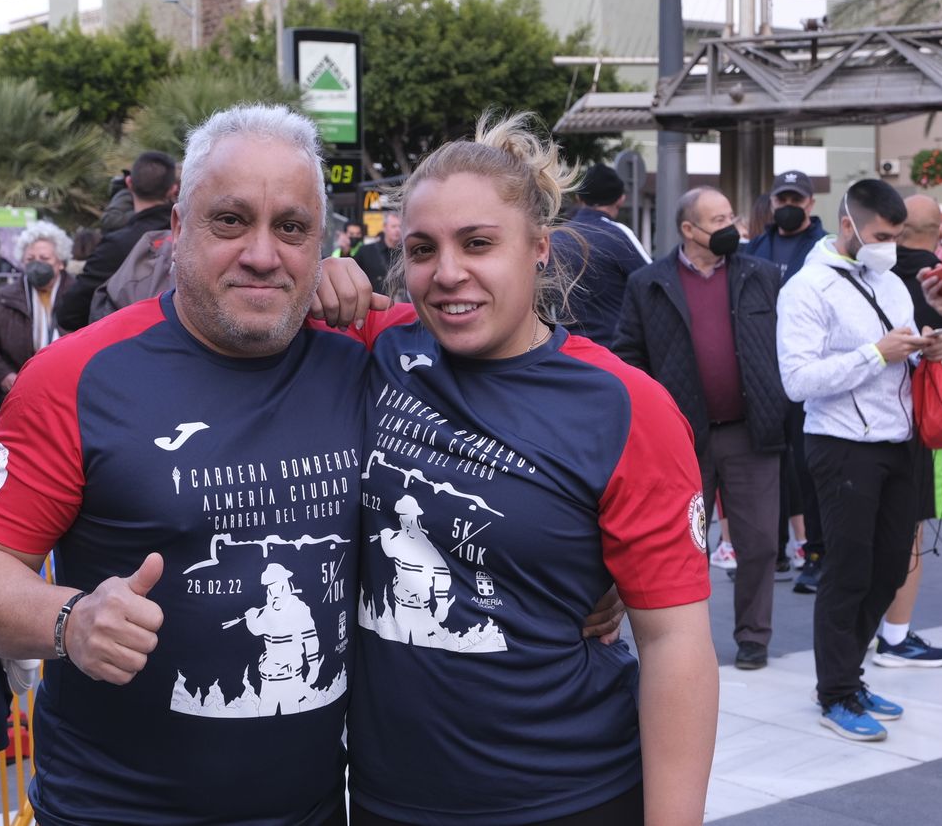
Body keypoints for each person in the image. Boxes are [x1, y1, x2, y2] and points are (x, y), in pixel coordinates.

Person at [0, 106, 368, 826]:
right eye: (230, 221)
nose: (263, 253)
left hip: (317, 808)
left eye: (292, 228)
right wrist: (70, 618)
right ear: (177, 227)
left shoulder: (361, 356)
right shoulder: (77, 375)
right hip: (114, 811)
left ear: (321, 243)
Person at [324, 113, 715, 826]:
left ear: (538, 247)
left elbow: (676, 642)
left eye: (478, 243)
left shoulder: (623, 406)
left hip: (569, 795)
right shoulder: (380, 347)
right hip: (388, 800)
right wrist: (320, 273)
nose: (447, 273)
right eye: (421, 248)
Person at [776, 179, 942, 742]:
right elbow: (797, 380)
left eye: (899, 235)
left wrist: (928, 350)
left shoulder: (890, 281)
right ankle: (834, 691)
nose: (892, 245)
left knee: (888, 570)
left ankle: (846, 677)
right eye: (883, 235)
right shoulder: (807, 288)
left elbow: (897, 354)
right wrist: (875, 354)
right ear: (849, 223)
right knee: (848, 572)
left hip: (897, 441)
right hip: (840, 445)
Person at [616, 186, 787, 671]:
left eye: (731, 215)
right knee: (681, 545)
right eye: (717, 220)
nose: (730, 226)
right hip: (682, 439)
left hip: (752, 432)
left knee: (759, 543)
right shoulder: (648, 284)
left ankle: (754, 637)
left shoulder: (763, 276)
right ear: (688, 230)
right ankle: (682, 642)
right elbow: (629, 356)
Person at [873, 193, 942, 669]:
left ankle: (867, 633)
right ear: (937, 233)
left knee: (865, 531)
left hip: (860, 423)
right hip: (926, 423)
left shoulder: (869, 276)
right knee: (909, 528)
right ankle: (895, 635)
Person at [747, 170, 831, 593]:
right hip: (763, 373)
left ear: (810, 204)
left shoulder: (824, 249)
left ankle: (816, 554)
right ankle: (774, 549)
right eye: (782, 198)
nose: (788, 205)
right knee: (767, 464)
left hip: (805, 372)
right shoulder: (758, 244)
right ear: (773, 202)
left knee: (806, 466)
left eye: (797, 198)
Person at [56, 151, 177, 333]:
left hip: (128, 346)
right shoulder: (190, 237)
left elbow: (71, 313)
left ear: (129, 183)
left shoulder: (116, 246)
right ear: (173, 189)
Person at [548, 163, 652, 344]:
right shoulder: (618, 234)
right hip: (613, 348)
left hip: (566, 348)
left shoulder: (556, 237)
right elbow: (651, 281)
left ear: (580, 197)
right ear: (621, 198)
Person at [0, 221, 74, 400]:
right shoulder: (6, 297)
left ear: (60, 263)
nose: (37, 264)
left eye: (44, 259)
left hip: (67, 392)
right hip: (18, 394)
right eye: (30, 259)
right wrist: (4, 375)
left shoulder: (78, 296)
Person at [353, 209, 402, 296]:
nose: (397, 230)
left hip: (401, 305)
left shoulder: (407, 254)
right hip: (374, 305)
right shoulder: (366, 251)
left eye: (400, 226)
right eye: (394, 226)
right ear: (384, 227)